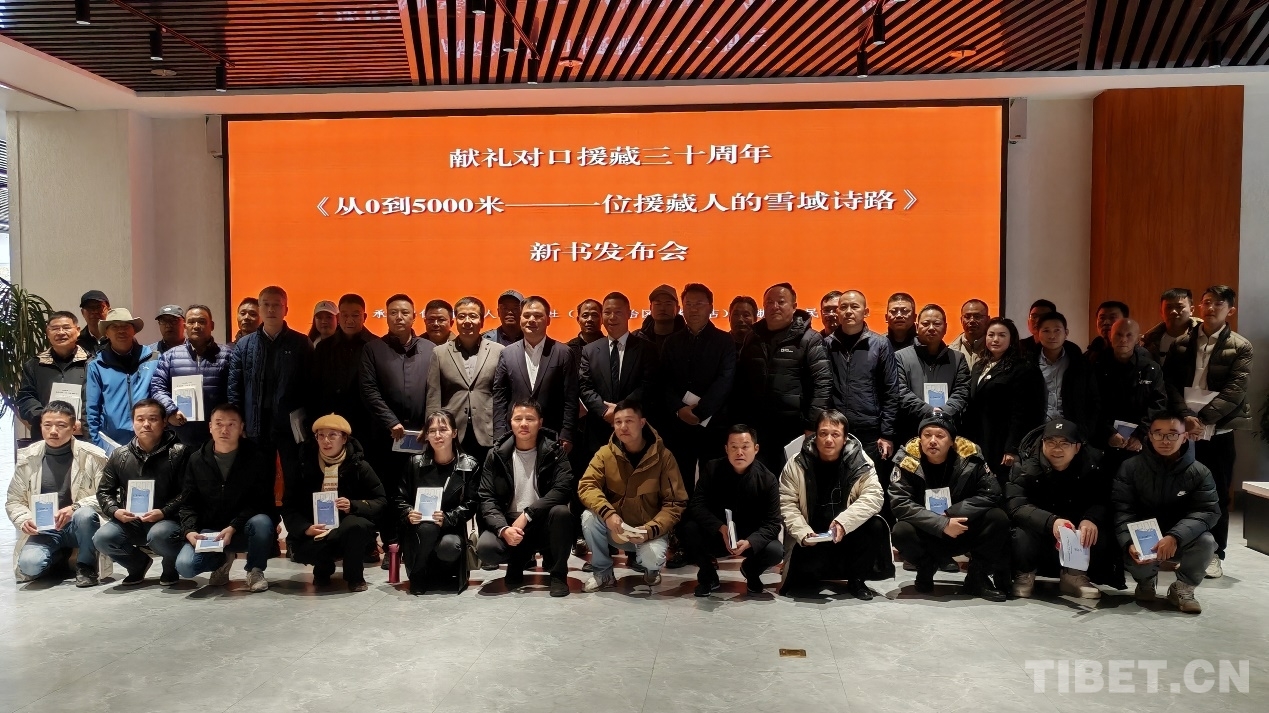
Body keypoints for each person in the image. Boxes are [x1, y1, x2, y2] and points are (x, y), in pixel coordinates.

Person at [1161, 285, 1252, 579]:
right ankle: (1178, 549)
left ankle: (1215, 553)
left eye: (1219, 304)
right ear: (1199, 307)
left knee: (1216, 493)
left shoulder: (1241, 346)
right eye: (1207, 302)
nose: (1211, 308)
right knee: (1176, 491)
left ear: (1230, 310)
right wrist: (1187, 418)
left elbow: (1235, 391)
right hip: (1181, 430)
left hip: (1219, 431)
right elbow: (1169, 383)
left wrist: (1202, 419)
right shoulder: (1181, 343)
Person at [890, 417, 1011, 601]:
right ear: (920, 439)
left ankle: (977, 578)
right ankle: (926, 567)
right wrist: (941, 523)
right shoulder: (907, 460)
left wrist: (953, 514)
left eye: (940, 436)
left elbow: (992, 492)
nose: (932, 440)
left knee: (997, 517)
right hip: (927, 530)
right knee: (901, 531)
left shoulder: (970, 457)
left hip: (961, 527)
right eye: (927, 435)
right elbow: (899, 503)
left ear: (952, 441)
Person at [777, 411, 894, 599]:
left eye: (835, 434)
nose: (829, 440)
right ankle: (807, 576)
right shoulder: (796, 463)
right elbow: (787, 504)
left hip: (846, 535)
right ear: (815, 436)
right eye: (823, 433)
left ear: (845, 438)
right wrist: (803, 533)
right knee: (801, 584)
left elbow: (874, 496)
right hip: (812, 538)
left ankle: (857, 580)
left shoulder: (861, 461)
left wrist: (843, 523)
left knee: (876, 525)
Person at [1113, 411, 1220, 613]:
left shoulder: (1200, 472)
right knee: (1128, 546)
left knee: (1206, 541)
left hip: (1181, 539)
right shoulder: (1130, 468)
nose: (1165, 440)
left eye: (1172, 434)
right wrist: (1129, 542)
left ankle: (1183, 588)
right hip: (1144, 538)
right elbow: (1122, 509)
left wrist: (1175, 536)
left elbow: (1207, 511)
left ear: (1184, 437)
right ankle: (1146, 581)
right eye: (1158, 434)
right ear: (1149, 436)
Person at [579, 400, 688, 591]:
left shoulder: (664, 457)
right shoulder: (605, 454)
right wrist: (608, 513)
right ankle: (603, 573)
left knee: (652, 558)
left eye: (629, 421)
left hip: (649, 531)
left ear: (642, 422)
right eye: (618, 422)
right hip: (616, 529)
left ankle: (651, 570)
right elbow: (587, 485)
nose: (623, 427)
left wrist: (650, 529)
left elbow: (675, 503)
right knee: (589, 517)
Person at [1007, 419, 1121, 599]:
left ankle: (1074, 575)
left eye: (1064, 443)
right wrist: (1051, 521)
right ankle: (1024, 573)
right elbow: (1016, 505)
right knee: (1019, 532)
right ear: (1042, 443)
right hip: (1039, 530)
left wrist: (1091, 518)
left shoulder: (1094, 465)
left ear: (1077, 447)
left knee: (1096, 530)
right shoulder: (1024, 466)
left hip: (1075, 528)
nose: (1057, 449)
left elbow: (1103, 500)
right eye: (1051, 442)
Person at [477, 399, 576, 597]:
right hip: (510, 522)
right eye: (518, 419)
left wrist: (528, 514)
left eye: (530, 419)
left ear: (540, 422)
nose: (523, 424)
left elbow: (563, 489)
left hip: (542, 521)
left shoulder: (555, 451)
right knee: (486, 548)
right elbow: (486, 497)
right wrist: (503, 528)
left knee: (562, 513)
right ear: (510, 423)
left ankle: (558, 574)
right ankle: (516, 561)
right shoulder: (495, 455)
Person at [361, 293, 435, 556]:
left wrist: (430, 424)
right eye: (393, 312)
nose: (399, 317)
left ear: (414, 317)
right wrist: (390, 421)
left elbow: (436, 390)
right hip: (386, 437)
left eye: (404, 312)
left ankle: (416, 543)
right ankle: (392, 544)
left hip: (422, 436)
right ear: (386, 316)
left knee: (419, 489)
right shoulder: (373, 349)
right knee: (389, 490)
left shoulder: (430, 349)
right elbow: (368, 390)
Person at [175, 403, 277, 591]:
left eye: (231, 424)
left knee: (262, 522)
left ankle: (255, 570)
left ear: (241, 427)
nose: (224, 430)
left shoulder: (257, 458)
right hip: (211, 531)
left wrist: (233, 526)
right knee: (185, 566)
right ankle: (222, 560)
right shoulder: (196, 459)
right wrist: (189, 531)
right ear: (210, 427)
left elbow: (260, 501)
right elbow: (188, 503)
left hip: (243, 528)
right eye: (219, 423)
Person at [6, 402, 110, 586]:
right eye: (47, 425)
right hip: (45, 528)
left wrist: (75, 508)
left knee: (85, 514)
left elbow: (106, 495)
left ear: (74, 427)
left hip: (79, 525)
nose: (53, 431)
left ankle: (86, 566)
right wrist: (24, 519)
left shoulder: (93, 456)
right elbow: (14, 500)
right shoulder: (28, 457)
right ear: (41, 426)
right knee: (30, 566)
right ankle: (62, 556)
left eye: (61, 425)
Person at [735, 282, 832, 471]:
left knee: (793, 480)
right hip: (757, 428)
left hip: (795, 429)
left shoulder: (809, 339)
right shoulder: (752, 337)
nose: (774, 307)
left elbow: (823, 384)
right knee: (760, 479)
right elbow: (741, 383)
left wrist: (812, 425)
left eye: (781, 302)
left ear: (794, 306)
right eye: (769, 302)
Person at [284, 413, 385, 592]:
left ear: (344, 438)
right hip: (316, 529)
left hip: (348, 528)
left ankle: (355, 577)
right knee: (309, 548)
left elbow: (381, 500)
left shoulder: (359, 466)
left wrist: (353, 505)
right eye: (321, 435)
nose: (326, 441)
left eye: (332, 435)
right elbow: (289, 506)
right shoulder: (304, 465)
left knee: (355, 526)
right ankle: (322, 569)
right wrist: (305, 528)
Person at [92, 399, 187, 586]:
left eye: (153, 419)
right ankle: (137, 564)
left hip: (168, 520)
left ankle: (170, 566)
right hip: (132, 521)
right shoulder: (119, 455)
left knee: (159, 535)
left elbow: (188, 492)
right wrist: (115, 511)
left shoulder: (180, 452)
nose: (146, 424)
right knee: (102, 538)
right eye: (140, 419)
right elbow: (104, 492)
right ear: (133, 422)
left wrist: (164, 511)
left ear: (164, 422)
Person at [680, 425, 782, 596]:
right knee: (689, 529)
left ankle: (751, 570)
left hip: (749, 537)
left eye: (745, 447)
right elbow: (697, 505)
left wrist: (750, 542)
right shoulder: (712, 468)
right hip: (718, 534)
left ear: (756, 449)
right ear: (726, 449)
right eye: (734, 447)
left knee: (775, 551)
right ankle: (708, 574)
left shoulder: (767, 479)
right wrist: (721, 528)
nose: (739, 452)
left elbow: (773, 523)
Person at [229, 286, 313, 487]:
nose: (271, 309)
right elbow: (234, 388)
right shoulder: (244, 345)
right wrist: (237, 421)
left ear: (286, 309)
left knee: (294, 477)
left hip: (290, 425)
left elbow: (311, 386)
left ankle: (292, 508)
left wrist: (308, 421)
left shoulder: (301, 343)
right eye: (266, 304)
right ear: (259, 308)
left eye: (277, 305)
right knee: (259, 479)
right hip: (256, 424)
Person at [657, 283, 735, 496]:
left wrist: (700, 412)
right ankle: (682, 518)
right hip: (679, 426)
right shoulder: (671, 342)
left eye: (699, 304)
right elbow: (664, 381)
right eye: (688, 304)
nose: (693, 309)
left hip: (713, 425)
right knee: (679, 483)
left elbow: (725, 380)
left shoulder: (724, 341)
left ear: (710, 307)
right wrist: (679, 409)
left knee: (714, 483)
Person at [398, 410, 480, 594]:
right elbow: (400, 498)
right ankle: (418, 574)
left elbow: (472, 503)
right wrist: (408, 512)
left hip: (451, 529)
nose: (437, 435)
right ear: (426, 435)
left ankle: (440, 573)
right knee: (427, 528)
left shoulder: (469, 465)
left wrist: (448, 518)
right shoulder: (414, 463)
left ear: (454, 433)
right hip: (419, 528)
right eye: (432, 431)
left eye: (443, 429)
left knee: (448, 547)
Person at [823, 289, 902, 479]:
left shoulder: (880, 344)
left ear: (865, 312)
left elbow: (891, 391)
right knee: (836, 484)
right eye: (843, 307)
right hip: (835, 430)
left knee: (870, 485)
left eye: (854, 307)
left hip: (870, 432)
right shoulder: (826, 345)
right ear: (838, 312)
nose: (848, 311)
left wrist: (886, 434)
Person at [962, 318, 1045, 484]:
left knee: (1001, 483)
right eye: (991, 335)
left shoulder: (1023, 367)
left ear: (1011, 338)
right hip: (981, 435)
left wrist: (1012, 448)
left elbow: (1024, 412)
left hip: (1004, 439)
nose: (995, 339)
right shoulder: (980, 365)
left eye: (1002, 335)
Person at [492, 296, 578, 450]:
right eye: (526, 315)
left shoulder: (563, 352)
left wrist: (567, 434)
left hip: (553, 435)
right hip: (515, 435)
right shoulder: (507, 353)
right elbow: (500, 398)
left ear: (548, 320)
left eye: (538, 316)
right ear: (520, 319)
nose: (531, 320)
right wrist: (500, 434)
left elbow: (570, 398)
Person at [427, 296, 504, 468]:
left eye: (473, 316)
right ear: (455, 321)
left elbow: (502, 395)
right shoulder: (439, 353)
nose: (467, 321)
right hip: (452, 430)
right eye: (462, 316)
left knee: (487, 477)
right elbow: (433, 396)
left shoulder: (498, 351)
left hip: (487, 429)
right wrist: (432, 430)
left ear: (482, 321)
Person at [579, 292, 658, 458]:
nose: (612, 317)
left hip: (635, 429)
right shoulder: (589, 350)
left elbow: (648, 385)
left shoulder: (647, 349)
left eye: (618, 312)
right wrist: (604, 410)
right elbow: (585, 387)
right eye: (607, 312)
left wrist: (620, 411)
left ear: (629, 314)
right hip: (599, 429)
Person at [149, 305, 232, 447]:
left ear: (212, 325)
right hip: (179, 435)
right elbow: (157, 387)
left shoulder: (227, 355)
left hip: (217, 436)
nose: (196, 326)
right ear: (185, 326)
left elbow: (235, 391)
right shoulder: (170, 356)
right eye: (191, 322)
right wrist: (170, 411)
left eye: (202, 321)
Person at [1093, 318, 1166, 478]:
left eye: (1129, 335)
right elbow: (1092, 405)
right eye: (1118, 334)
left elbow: (1158, 405)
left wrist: (1140, 435)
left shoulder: (1150, 368)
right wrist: (1109, 434)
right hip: (1105, 441)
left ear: (1138, 339)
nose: (1123, 339)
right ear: (1110, 336)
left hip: (1141, 440)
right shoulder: (1096, 367)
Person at [85, 308, 160, 453]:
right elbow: (91, 410)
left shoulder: (154, 359)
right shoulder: (96, 365)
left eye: (126, 326)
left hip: (151, 439)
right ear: (106, 333)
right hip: (111, 443)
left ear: (134, 330)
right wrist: (97, 445)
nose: (121, 330)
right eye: (114, 326)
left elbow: (162, 395)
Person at [893, 304, 971, 442]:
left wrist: (943, 412)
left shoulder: (958, 359)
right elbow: (900, 391)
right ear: (917, 327)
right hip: (910, 432)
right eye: (925, 323)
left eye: (937, 324)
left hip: (947, 432)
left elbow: (962, 391)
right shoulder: (899, 357)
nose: (931, 328)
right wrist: (930, 412)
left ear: (945, 327)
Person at [308, 294, 377, 447]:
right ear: (339, 317)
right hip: (330, 422)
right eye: (345, 315)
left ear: (364, 317)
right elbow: (314, 388)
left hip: (365, 424)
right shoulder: (324, 347)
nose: (349, 320)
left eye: (355, 315)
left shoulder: (376, 346)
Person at [16, 311, 90, 433]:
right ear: (47, 333)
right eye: (55, 328)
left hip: (82, 434)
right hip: (45, 435)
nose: (60, 332)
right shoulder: (34, 365)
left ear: (77, 331)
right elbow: (25, 398)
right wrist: (46, 419)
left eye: (66, 327)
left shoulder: (92, 363)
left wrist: (84, 424)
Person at [1033, 311, 1100, 441]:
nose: (1052, 336)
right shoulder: (1028, 364)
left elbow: (1093, 400)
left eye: (1057, 330)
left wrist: (1086, 430)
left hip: (1073, 431)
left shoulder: (1080, 363)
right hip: (1038, 430)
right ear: (1038, 333)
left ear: (1066, 333)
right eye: (1046, 331)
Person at [1142, 288, 1200, 364]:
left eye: (1179, 307)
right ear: (1161, 312)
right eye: (1169, 307)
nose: (1173, 311)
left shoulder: (1200, 337)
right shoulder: (1149, 340)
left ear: (1191, 310)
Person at [637, 284, 687, 349]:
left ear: (677, 309)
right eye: (658, 304)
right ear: (650, 308)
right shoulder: (637, 338)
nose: (662, 308)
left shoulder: (688, 339)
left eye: (668, 304)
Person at [948, 298, 989, 371]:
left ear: (988, 319)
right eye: (967, 317)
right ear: (961, 320)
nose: (972, 320)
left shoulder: (996, 350)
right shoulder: (950, 352)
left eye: (977, 316)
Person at [77, 290, 110, 355]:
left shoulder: (118, 338)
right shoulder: (77, 341)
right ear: (82, 312)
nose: (94, 311)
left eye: (99, 307)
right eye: (89, 308)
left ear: (109, 310)